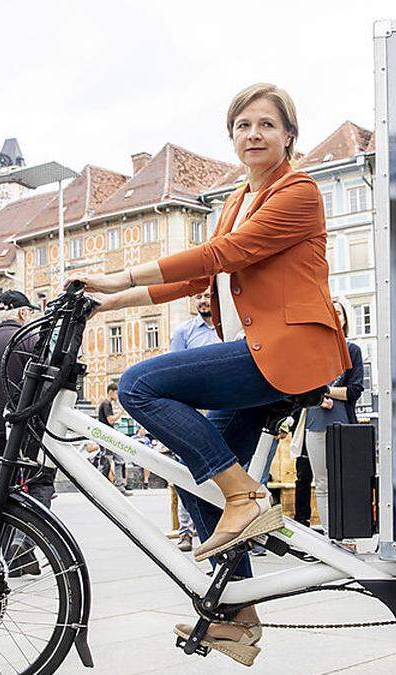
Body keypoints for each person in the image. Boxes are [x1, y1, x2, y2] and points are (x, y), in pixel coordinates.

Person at [70, 82, 349, 663]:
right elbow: (195, 279)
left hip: (287, 352)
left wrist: (120, 276)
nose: (254, 134)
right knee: (194, 476)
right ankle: (239, 615)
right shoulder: (235, 200)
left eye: (267, 125)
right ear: (232, 136)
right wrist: (106, 302)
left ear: (288, 136)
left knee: (139, 385)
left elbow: (224, 257)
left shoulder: (298, 193)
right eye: (243, 125)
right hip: (259, 352)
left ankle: (244, 495)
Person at [0, 290, 55, 506]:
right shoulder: (32, 340)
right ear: (24, 314)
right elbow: (45, 387)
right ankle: (29, 535)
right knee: (36, 484)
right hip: (29, 427)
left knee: (4, 488)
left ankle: (5, 534)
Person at [302, 301, 364, 535]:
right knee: (323, 485)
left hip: (344, 426)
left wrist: (324, 392)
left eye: (339, 312)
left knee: (346, 483)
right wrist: (318, 396)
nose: (335, 316)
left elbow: (353, 391)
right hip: (315, 425)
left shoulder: (352, 350)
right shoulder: (311, 350)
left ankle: (348, 534)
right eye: (331, 312)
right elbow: (302, 388)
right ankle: (330, 535)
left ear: (346, 318)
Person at [167, 289, 218, 548]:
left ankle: (226, 531)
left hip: (221, 409)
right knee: (188, 473)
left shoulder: (227, 329)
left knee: (224, 473)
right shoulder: (183, 333)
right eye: (198, 296)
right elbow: (172, 373)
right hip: (193, 411)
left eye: (208, 295)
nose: (203, 300)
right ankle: (187, 531)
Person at [96, 382, 133, 495]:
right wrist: (120, 413)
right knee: (106, 461)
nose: (117, 396)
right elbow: (110, 420)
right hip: (106, 437)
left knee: (118, 459)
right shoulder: (106, 404)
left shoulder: (107, 404)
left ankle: (119, 486)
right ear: (111, 392)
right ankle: (101, 487)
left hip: (108, 436)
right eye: (116, 393)